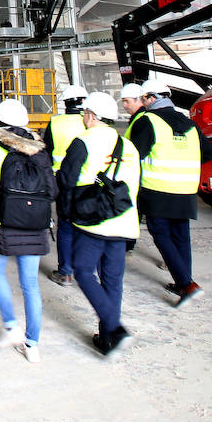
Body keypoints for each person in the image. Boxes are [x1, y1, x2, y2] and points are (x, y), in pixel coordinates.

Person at [0, 98, 54, 363]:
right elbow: (53, 191)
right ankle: (33, 345)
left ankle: (11, 326)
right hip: (34, 225)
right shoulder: (39, 151)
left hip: (0, 224)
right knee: (30, 284)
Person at [58, 90, 141, 359]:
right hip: (123, 220)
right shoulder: (128, 146)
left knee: (83, 271)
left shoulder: (83, 140)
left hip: (94, 221)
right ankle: (107, 338)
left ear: (91, 116)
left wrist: (67, 212)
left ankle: (115, 328)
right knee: (112, 280)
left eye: (85, 114)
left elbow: (67, 181)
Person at [127, 77, 212, 307]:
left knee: (162, 236)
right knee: (180, 236)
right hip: (185, 190)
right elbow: (209, 152)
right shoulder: (188, 123)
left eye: (144, 99)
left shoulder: (148, 121)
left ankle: (187, 284)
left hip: (157, 189)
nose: (142, 103)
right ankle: (182, 281)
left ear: (152, 98)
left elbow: (134, 154)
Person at [44, 84, 88, 287]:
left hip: (61, 181)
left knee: (66, 227)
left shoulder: (55, 122)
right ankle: (87, 270)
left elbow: (46, 151)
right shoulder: (92, 123)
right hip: (89, 183)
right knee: (88, 225)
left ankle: (66, 272)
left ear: (65, 103)